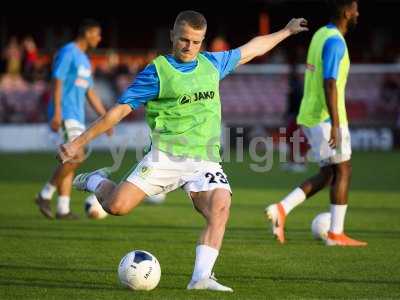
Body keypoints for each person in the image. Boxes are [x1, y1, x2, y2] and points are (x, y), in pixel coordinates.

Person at [58, 11, 307, 291]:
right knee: (117, 206)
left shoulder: (213, 63)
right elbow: (117, 112)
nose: (190, 47)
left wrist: (286, 32)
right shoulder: (158, 71)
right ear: (173, 37)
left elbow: (252, 48)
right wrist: (77, 143)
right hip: (165, 156)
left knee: (221, 206)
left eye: (197, 41)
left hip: (205, 160)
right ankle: (95, 180)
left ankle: (200, 278)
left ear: (203, 41)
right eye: (184, 40)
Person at [266, 0, 367, 246]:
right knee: (344, 169)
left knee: (329, 172)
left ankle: (282, 208)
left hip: (310, 115)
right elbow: (330, 82)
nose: (357, 13)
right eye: (354, 8)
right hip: (325, 117)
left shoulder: (321, 34)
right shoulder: (335, 41)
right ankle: (336, 233)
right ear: (346, 12)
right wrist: (334, 122)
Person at [35, 19, 112, 220]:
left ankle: (63, 208)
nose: (99, 38)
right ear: (87, 33)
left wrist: (106, 117)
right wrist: (58, 111)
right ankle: (44, 194)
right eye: (97, 33)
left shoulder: (85, 60)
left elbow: (89, 91)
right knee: (77, 154)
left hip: (77, 116)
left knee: (71, 158)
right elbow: (57, 80)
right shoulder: (68, 52)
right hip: (66, 113)